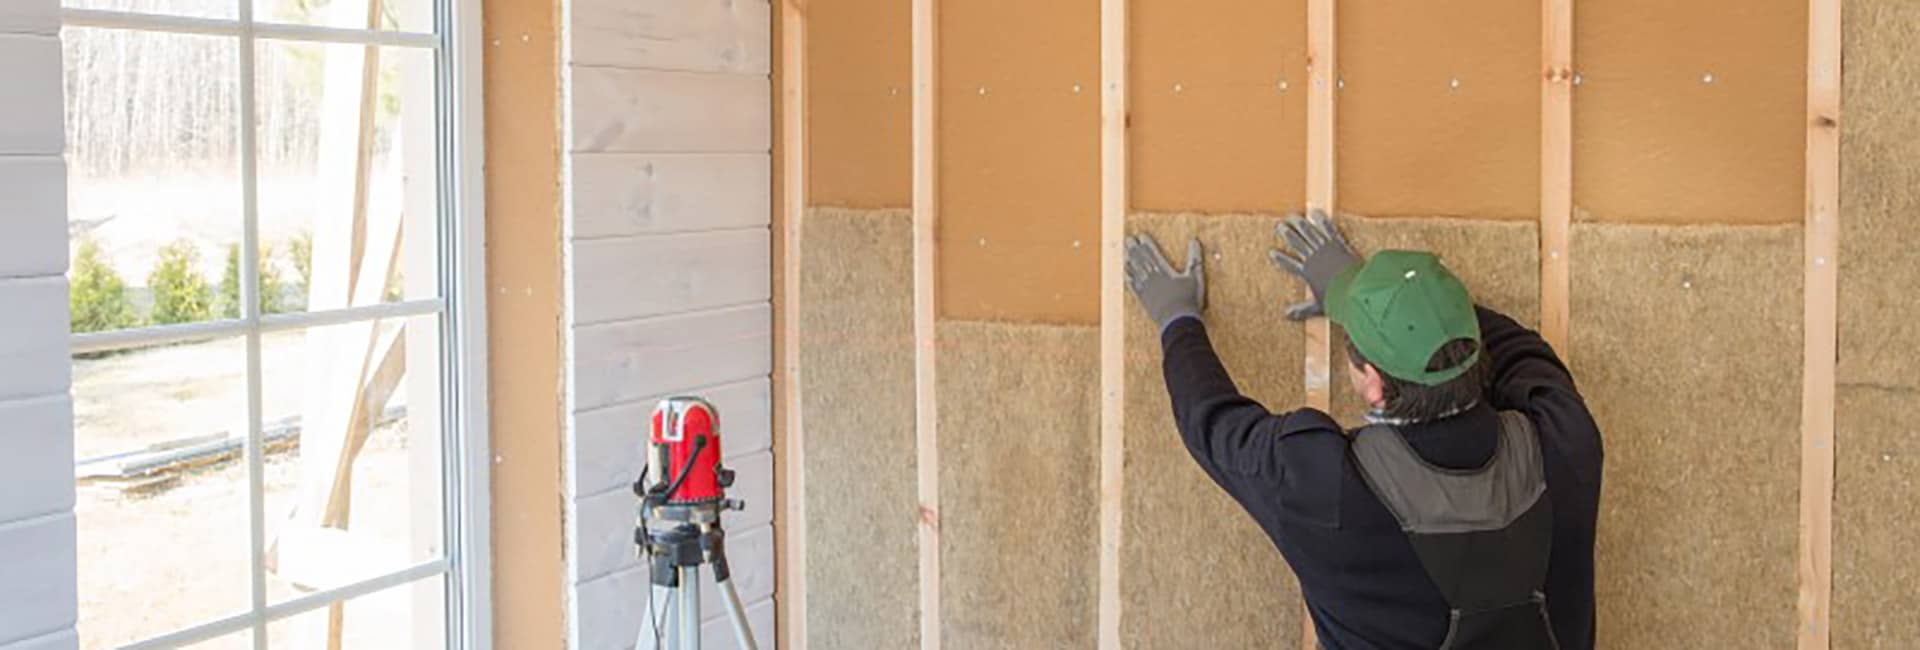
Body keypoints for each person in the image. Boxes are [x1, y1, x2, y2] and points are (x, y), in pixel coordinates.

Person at [1123, 210, 1603, 649]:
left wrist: (1177, 317)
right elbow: (1520, 350)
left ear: (1372, 383)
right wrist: (1368, 297)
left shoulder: (1324, 488)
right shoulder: (1564, 443)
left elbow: (1214, 424)